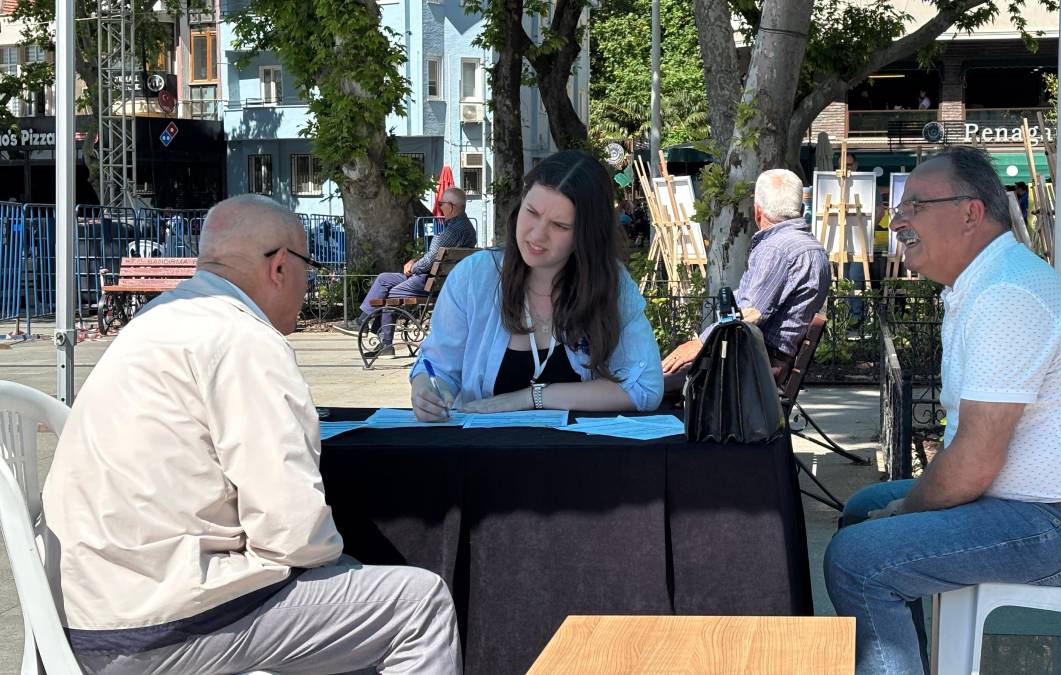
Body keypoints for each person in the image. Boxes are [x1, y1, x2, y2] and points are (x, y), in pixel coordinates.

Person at [41, 195, 462, 675]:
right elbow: (292, 532)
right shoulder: (243, 339)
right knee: (418, 606)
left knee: (344, 596)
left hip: (85, 612)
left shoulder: (157, 319)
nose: (310, 282)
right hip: (164, 623)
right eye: (310, 266)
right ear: (280, 266)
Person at [825, 146, 1061, 675]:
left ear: (970, 212)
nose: (895, 220)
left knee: (858, 560)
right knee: (864, 510)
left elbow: (974, 460)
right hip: (1049, 507)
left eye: (915, 206)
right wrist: (902, 508)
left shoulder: (1007, 292)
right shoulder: (989, 282)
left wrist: (909, 510)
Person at [410, 149, 663, 421]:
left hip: (581, 460)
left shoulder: (612, 284)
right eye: (531, 212)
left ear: (586, 235)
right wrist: (426, 388)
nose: (537, 235)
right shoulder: (474, 278)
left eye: (560, 225)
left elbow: (644, 389)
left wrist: (532, 397)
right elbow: (437, 367)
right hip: (483, 459)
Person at [661, 169, 830, 385]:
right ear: (801, 208)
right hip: (769, 362)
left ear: (757, 211)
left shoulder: (775, 249)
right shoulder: (814, 248)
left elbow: (747, 316)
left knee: (649, 385)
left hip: (751, 365)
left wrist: (698, 343)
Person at [334, 186, 476, 357]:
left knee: (393, 293)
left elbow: (430, 262)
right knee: (383, 279)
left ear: (451, 206)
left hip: (428, 280)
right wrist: (416, 262)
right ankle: (361, 321)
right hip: (439, 279)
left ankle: (386, 343)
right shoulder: (468, 229)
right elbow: (435, 257)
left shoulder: (449, 232)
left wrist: (414, 267)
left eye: (441, 204)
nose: (440, 207)